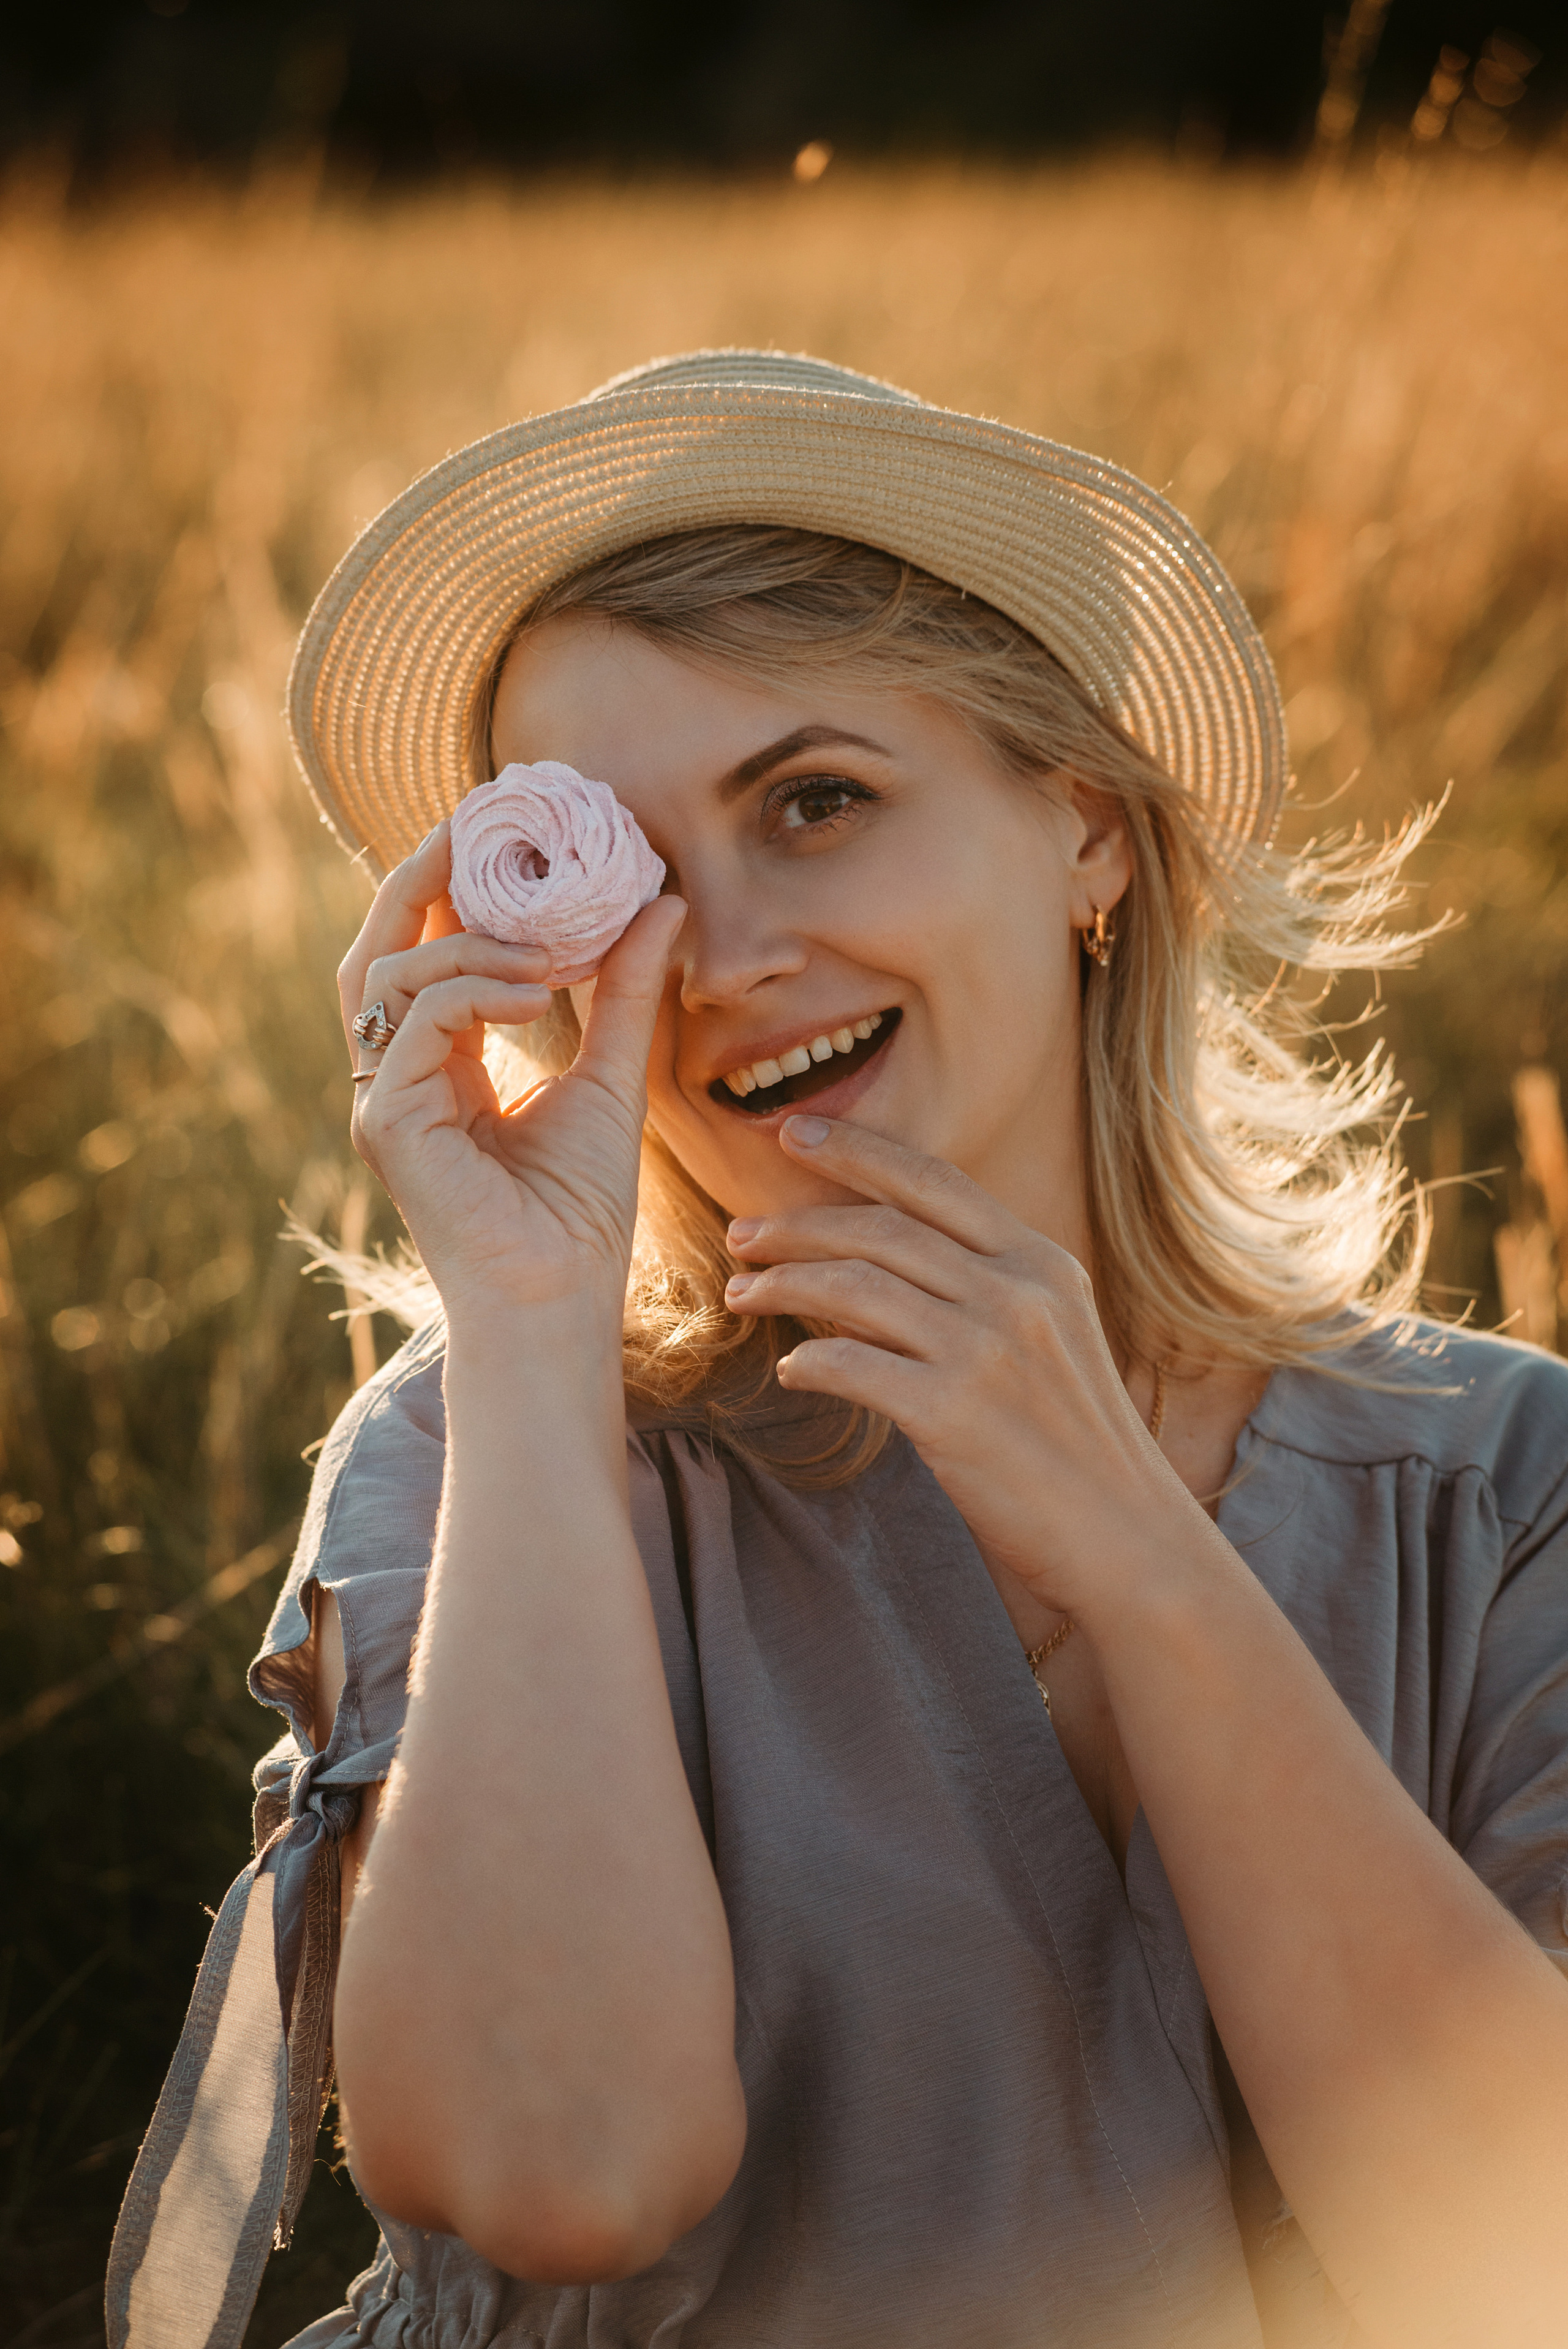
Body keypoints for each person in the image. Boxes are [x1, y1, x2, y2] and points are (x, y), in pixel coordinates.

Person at [108, 353, 1568, 2349]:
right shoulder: (493, 1454)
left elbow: (1517, 2255)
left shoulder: (1498, 1486)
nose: (715, 957)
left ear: (1087, 833)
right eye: (618, 868)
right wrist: (535, 1333)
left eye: (816, 801)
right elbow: (559, 2172)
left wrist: (1144, 1558)